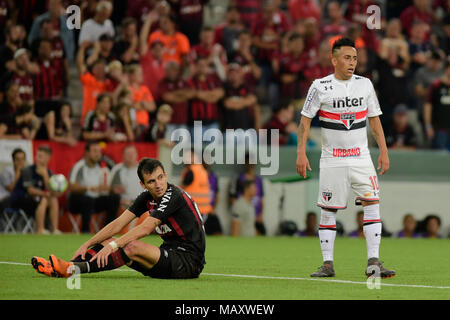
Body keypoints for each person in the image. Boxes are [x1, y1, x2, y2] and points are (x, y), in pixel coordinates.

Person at [296, 38, 395, 278]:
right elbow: (305, 121)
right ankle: (327, 264)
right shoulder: (320, 86)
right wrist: (300, 152)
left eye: (355, 58)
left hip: (362, 158)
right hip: (333, 159)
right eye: (347, 58)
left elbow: (374, 119)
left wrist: (383, 150)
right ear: (334, 59)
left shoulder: (365, 85)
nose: (352, 62)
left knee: (372, 204)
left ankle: (373, 262)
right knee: (329, 210)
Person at [32, 158, 206, 280]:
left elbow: (145, 229)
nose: (158, 184)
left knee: (128, 245)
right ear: (143, 184)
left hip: (188, 261)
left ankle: (71, 269)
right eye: (151, 181)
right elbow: (117, 224)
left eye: (160, 178)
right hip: (168, 255)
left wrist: (115, 245)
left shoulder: (173, 195)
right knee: (109, 241)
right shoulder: (146, 197)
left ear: (166, 175)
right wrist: (87, 243)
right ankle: (61, 266)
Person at [67, 142, 120, 234]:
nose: (98, 154)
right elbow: (72, 187)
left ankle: (108, 232)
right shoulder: (79, 166)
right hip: (77, 202)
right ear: (87, 153)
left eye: (99, 151)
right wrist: (88, 188)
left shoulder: (100, 167)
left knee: (114, 198)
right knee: (88, 199)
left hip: (94, 201)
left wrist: (109, 189)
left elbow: (101, 187)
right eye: (95, 151)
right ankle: (85, 231)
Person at [10, 145, 61, 234]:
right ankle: (40, 229)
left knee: (53, 199)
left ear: (48, 158)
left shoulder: (49, 172)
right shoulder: (27, 170)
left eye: (40, 156)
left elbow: (52, 191)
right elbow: (30, 190)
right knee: (44, 199)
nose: (37, 159)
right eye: (37, 155)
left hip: (36, 200)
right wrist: (44, 194)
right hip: (21, 198)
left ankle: (54, 229)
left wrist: (45, 175)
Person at [424, 59, 450, 150]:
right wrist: (428, 125)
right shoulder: (436, 85)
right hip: (440, 130)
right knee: (440, 158)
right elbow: (428, 106)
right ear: (446, 69)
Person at [109, 145, 142, 211]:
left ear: (137, 154)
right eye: (128, 154)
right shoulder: (117, 169)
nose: (131, 156)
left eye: (133, 153)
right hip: (122, 205)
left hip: (141, 204)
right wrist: (114, 190)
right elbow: (110, 190)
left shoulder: (144, 170)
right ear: (123, 155)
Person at [0, 148, 26, 213]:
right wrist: (17, 174)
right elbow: (11, 189)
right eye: (18, 159)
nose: (20, 162)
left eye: (22, 159)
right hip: (5, 198)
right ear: (13, 160)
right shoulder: (6, 171)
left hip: (20, 198)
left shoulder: (27, 171)